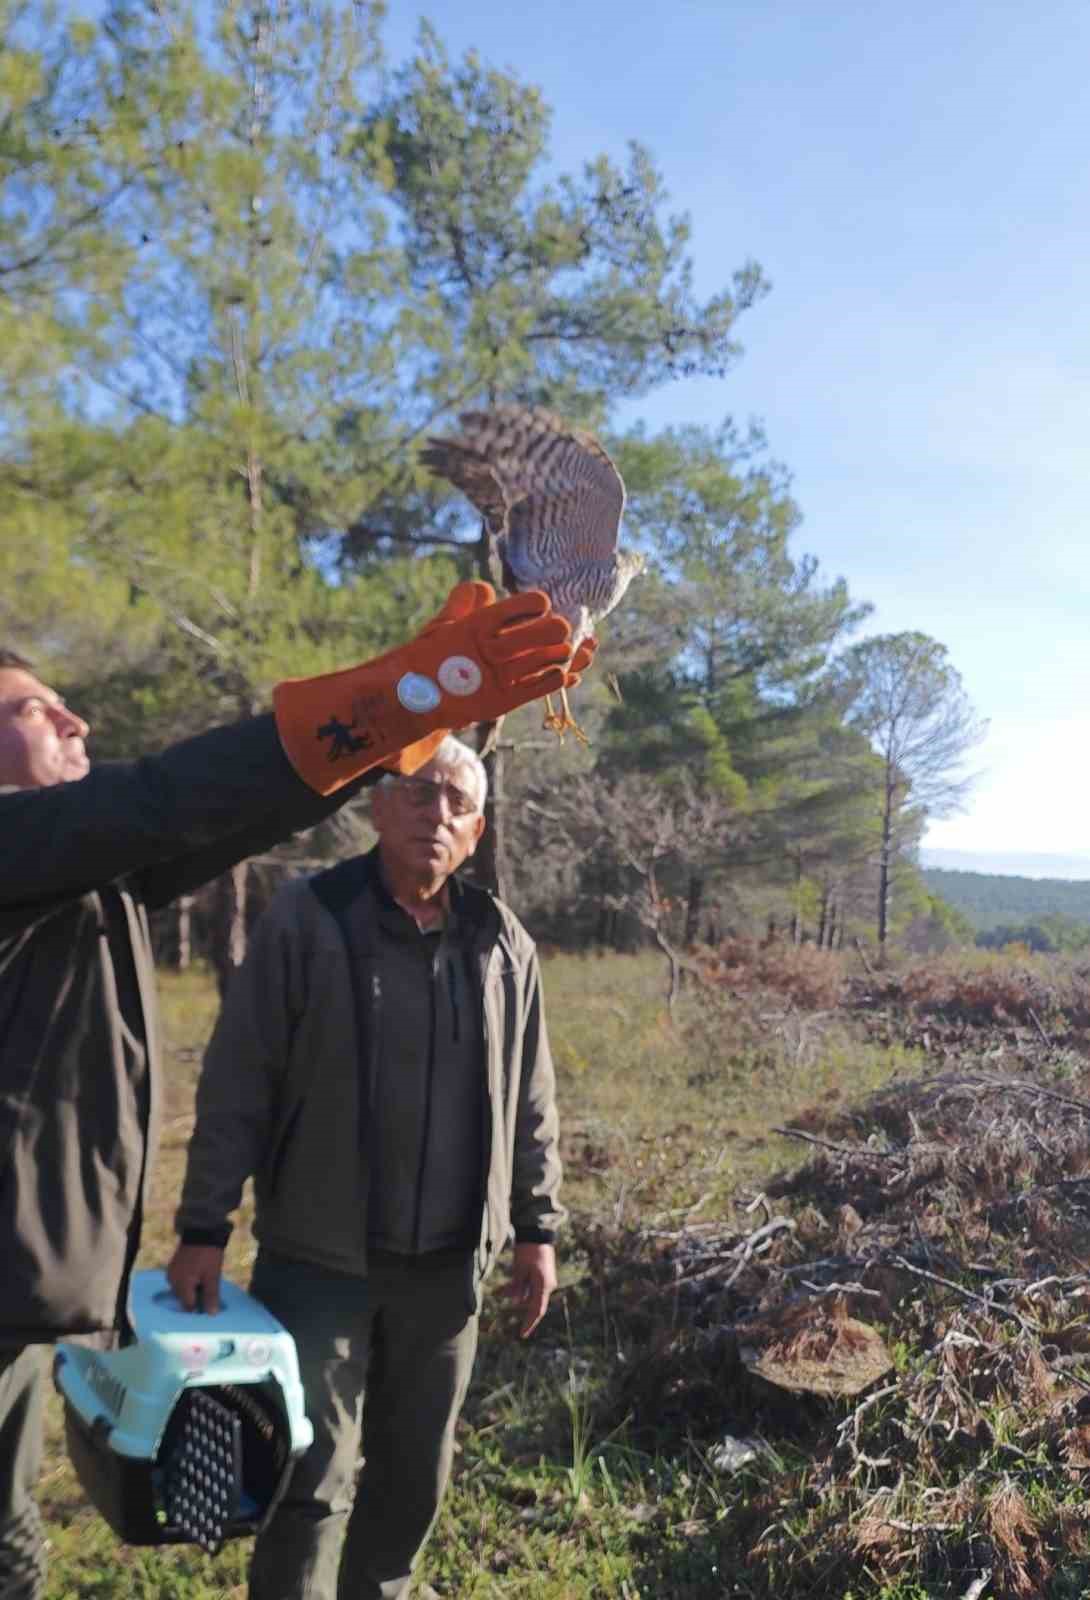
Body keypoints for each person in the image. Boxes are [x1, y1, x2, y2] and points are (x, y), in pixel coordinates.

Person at [0, 579, 591, 1600]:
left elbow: (220, 816)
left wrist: (397, 720)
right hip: (310, 1259)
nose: (73, 714)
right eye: (27, 705)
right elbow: (164, 800)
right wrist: (399, 695)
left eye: (455, 797)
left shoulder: (85, 877)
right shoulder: (21, 849)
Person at [167, 734, 564, 1600]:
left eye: (458, 803)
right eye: (419, 795)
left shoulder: (503, 943)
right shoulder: (310, 919)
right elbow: (240, 1079)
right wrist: (204, 1226)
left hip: (448, 1267)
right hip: (320, 1261)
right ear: (377, 807)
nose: (438, 815)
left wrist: (536, 1228)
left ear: (478, 828)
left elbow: (532, 1099)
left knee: (414, 1480)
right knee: (307, 1478)